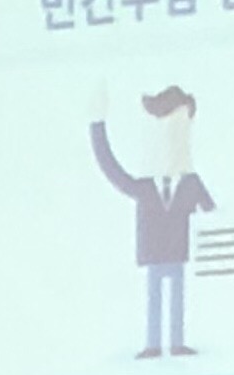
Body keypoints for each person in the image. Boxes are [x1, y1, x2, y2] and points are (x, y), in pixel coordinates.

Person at [90, 84, 214, 357]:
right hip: (155, 253)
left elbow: (212, 211)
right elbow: (112, 170)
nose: (174, 142)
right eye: (168, 131)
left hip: (177, 253)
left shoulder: (190, 183)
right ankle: (153, 344)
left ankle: (176, 342)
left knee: (177, 296)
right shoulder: (145, 188)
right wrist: (97, 125)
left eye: (181, 132)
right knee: (155, 297)